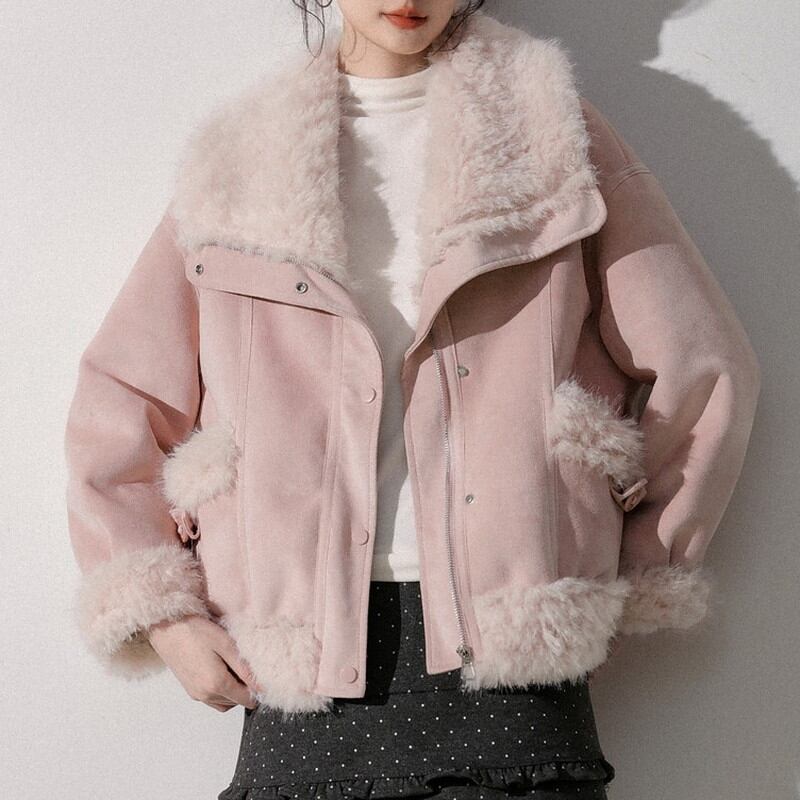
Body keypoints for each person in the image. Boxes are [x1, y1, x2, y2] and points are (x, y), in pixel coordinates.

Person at [63, 2, 762, 798]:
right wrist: (165, 617)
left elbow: (705, 368)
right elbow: (119, 405)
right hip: (297, 663)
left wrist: (635, 570)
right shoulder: (239, 160)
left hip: (514, 662)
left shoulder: (547, 133)